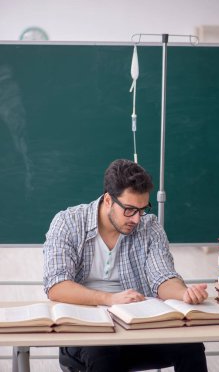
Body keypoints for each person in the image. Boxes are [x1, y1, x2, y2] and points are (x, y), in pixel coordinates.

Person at [43, 159, 208, 372]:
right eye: (130, 210)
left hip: (137, 329)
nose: (137, 219)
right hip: (86, 332)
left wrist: (183, 293)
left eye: (142, 209)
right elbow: (57, 285)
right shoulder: (68, 222)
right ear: (108, 200)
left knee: (191, 346)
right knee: (103, 352)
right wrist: (110, 299)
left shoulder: (150, 226)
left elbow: (163, 276)